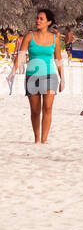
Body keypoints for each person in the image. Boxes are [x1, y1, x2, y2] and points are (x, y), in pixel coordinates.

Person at [11, 8, 65, 143]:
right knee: (35, 110)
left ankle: (44, 140)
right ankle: (37, 138)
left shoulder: (55, 39)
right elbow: (21, 55)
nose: (38, 21)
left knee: (47, 108)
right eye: (37, 18)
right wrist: (13, 71)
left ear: (49, 22)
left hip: (50, 76)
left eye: (41, 19)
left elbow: (58, 59)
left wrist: (62, 78)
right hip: (32, 77)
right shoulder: (30, 36)